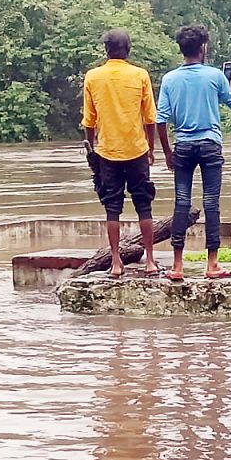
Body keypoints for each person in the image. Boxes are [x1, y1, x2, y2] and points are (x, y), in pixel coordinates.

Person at [157, 24, 231, 280]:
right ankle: (212, 264)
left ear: (181, 49)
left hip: (182, 146)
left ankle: (177, 265)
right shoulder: (215, 76)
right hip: (209, 145)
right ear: (203, 47)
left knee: (181, 202)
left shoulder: (170, 79)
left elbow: (160, 120)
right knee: (211, 203)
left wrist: (167, 152)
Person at [81, 29, 160, 278]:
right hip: (136, 149)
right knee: (144, 204)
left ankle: (116, 262)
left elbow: (89, 121)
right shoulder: (140, 75)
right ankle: (149, 260)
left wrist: (91, 148)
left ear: (106, 50)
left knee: (112, 207)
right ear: (129, 49)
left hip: (107, 151)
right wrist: (151, 147)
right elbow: (150, 117)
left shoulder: (93, 77)